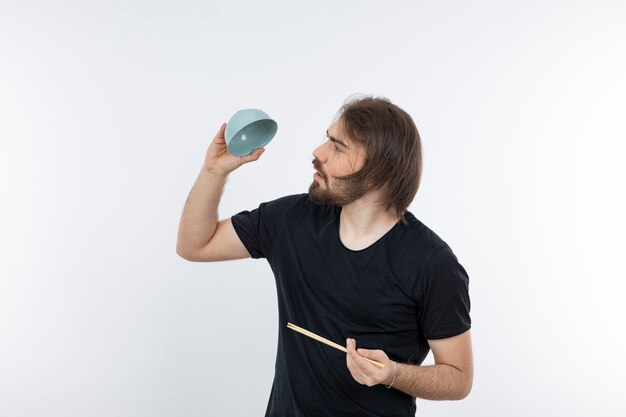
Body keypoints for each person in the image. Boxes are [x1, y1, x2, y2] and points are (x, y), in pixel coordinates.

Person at [176, 96, 473, 417]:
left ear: (378, 173)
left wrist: (393, 374)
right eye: (327, 138)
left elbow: (458, 378)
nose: (318, 153)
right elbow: (196, 245)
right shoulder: (291, 219)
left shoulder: (432, 263)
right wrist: (213, 171)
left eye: (338, 147)